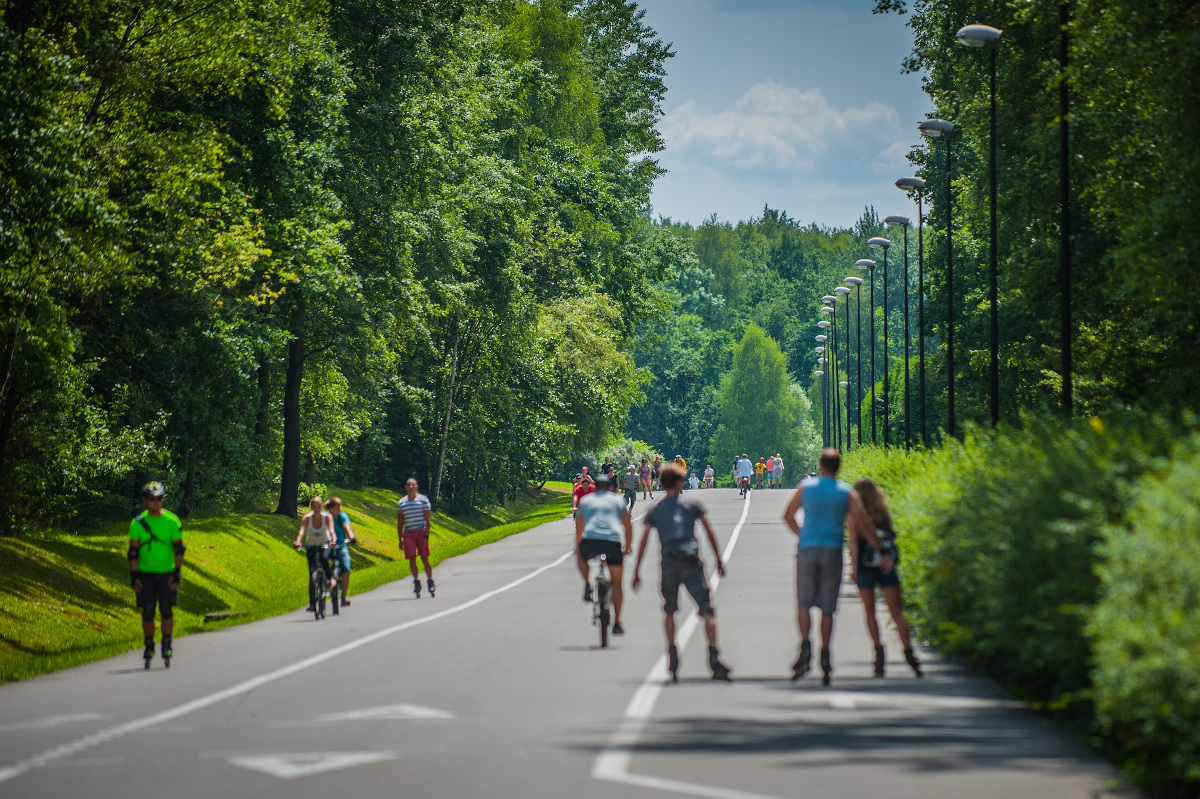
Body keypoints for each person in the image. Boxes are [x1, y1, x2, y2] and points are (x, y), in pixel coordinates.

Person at [782, 448, 892, 685]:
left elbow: (788, 516)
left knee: (804, 602)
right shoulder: (846, 492)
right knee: (827, 607)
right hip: (832, 550)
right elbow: (863, 523)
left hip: (808, 549)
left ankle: (805, 646)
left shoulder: (806, 487)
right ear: (838, 467)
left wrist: (802, 536)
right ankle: (825, 654)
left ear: (821, 465)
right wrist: (881, 550)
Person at [632, 464, 731, 681]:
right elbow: (708, 531)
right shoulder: (692, 505)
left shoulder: (655, 510)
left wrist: (637, 570)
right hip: (690, 559)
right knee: (707, 609)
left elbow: (644, 540)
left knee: (669, 609)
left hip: (668, 561)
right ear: (679, 482)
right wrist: (719, 559)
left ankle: (672, 651)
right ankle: (714, 654)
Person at [851, 479, 923, 678]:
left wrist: (854, 567)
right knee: (897, 611)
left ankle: (879, 652)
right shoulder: (883, 512)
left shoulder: (855, 515)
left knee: (870, 611)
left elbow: (854, 542)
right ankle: (909, 652)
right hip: (887, 565)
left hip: (865, 566)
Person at [128, 481, 185, 667]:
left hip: (166, 572)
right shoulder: (137, 523)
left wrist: (177, 574)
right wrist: (134, 577)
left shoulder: (172, 521)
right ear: (145, 501)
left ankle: (166, 643)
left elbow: (179, 549)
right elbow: (133, 552)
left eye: (159, 498)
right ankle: (149, 645)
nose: (156, 502)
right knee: (148, 611)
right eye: (152, 499)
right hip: (145, 573)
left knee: (166, 609)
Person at [576, 475, 633, 635]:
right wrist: (627, 548)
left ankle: (587, 584)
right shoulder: (617, 501)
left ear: (595, 488)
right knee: (617, 583)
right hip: (612, 541)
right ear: (610, 488)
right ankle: (617, 623)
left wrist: (578, 548)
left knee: (580, 556)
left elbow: (579, 529)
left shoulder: (585, 501)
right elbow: (628, 526)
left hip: (590, 540)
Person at [294, 495, 337, 614]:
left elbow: (332, 531)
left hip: (325, 544)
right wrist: (298, 542)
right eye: (314, 507)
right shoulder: (307, 518)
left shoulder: (327, 517)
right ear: (311, 507)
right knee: (312, 572)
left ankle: (330, 579)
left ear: (321, 507)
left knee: (323, 559)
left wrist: (333, 540)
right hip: (311, 545)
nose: (317, 509)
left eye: (319, 507)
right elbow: (301, 532)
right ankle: (312, 604)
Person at [397, 478, 435, 598]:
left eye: (412, 485)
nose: (411, 487)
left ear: (416, 487)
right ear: (405, 487)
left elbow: (428, 520)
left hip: (421, 531)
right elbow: (400, 522)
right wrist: (400, 539)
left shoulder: (423, 500)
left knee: (424, 557)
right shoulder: (402, 503)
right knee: (412, 557)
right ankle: (416, 581)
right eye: (408, 485)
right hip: (409, 532)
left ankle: (430, 580)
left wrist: (426, 536)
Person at [327, 497, 357, 606]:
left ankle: (343, 598)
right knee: (322, 565)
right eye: (336, 508)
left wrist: (351, 537)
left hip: (340, 546)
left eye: (339, 507)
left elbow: (347, 527)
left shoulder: (342, 516)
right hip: (327, 546)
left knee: (345, 570)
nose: (339, 510)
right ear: (330, 508)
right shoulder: (325, 517)